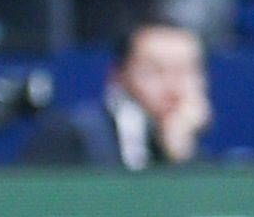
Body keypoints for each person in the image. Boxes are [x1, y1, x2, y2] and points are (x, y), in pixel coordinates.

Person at [24, 16, 209, 170]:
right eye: (154, 70)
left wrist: (180, 151)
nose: (172, 86)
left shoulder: (193, 147)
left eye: (185, 71)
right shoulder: (75, 134)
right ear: (119, 75)